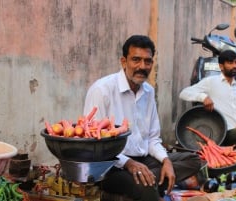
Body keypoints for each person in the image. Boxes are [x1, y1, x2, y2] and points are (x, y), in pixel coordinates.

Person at [83, 35, 201, 201]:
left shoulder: (148, 91)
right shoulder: (102, 90)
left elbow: (153, 138)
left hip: (145, 161)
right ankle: (146, 183)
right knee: (144, 185)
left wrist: (166, 160)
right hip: (110, 166)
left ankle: (147, 180)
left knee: (193, 159)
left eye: (148, 61)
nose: (142, 66)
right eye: (136, 60)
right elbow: (95, 146)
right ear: (124, 62)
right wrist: (129, 164)